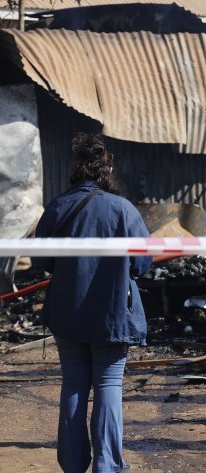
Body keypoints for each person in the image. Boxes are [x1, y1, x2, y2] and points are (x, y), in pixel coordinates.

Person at [33, 133, 152, 473]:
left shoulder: (56, 207)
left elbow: (43, 263)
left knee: (73, 384)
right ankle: (107, 465)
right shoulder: (122, 209)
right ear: (107, 170)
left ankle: (72, 465)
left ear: (76, 170)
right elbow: (142, 264)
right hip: (112, 314)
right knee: (108, 385)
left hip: (66, 312)